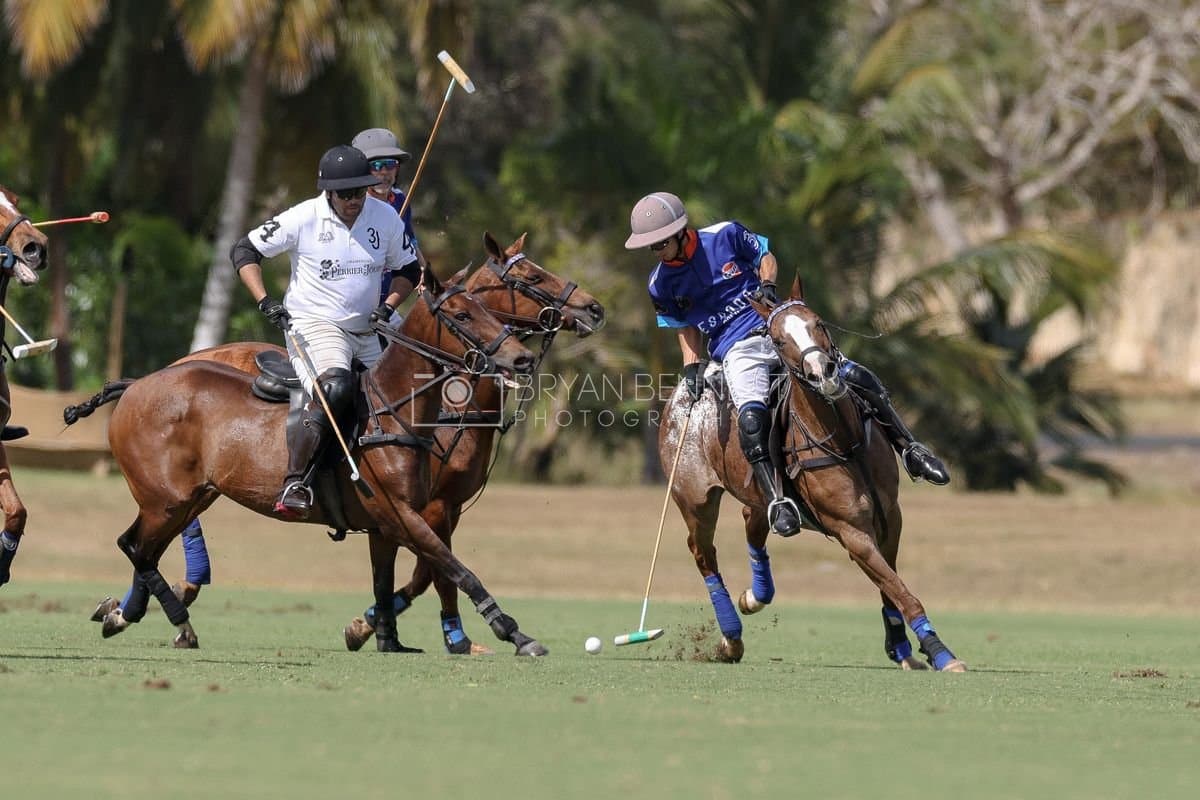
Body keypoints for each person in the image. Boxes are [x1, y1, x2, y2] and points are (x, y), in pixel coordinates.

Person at [625, 192, 948, 536]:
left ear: (680, 232)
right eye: (651, 246)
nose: (656, 251)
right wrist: (691, 365)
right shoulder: (660, 284)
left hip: (776, 327)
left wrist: (767, 284)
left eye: (660, 243)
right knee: (751, 421)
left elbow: (765, 257)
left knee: (855, 376)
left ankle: (911, 450)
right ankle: (777, 500)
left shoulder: (725, 235)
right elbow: (684, 324)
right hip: (736, 350)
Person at [234, 144, 420, 518]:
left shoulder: (385, 216)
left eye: (360, 190)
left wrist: (388, 306)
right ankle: (296, 482)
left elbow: (409, 270)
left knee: (415, 383)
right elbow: (245, 251)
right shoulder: (303, 217)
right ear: (329, 192)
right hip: (317, 324)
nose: (355, 200)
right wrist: (265, 300)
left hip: (370, 326)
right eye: (346, 193)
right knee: (335, 386)